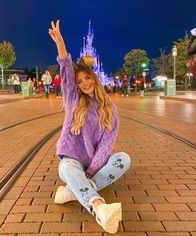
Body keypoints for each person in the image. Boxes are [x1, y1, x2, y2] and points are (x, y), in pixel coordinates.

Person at [48, 20, 131, 234]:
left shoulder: (108, 108)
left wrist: (92, 172)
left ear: (94, 78)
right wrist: (60, 43)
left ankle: (73, 191)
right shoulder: (72, 99)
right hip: (73, 161)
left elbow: (106, 144)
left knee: (124, 159)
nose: (84, 83)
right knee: (67, 168)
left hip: (95, 165)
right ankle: (99, 207)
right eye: (79, 81)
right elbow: (66, 69)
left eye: (87, 78)